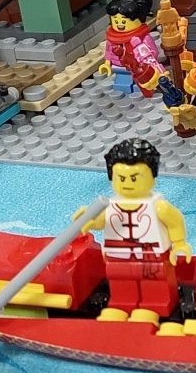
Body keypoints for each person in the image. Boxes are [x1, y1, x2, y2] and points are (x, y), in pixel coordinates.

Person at [81, 138, 190, 324]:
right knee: (120, 280)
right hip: (118, 255)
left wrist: (179, 243)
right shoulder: (110, 206)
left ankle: (155, 306)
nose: (127, 183)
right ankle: (122, 305)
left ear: (152, 176)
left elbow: (174, 221)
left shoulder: (159, 207)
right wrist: (89, 220)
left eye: (134, 178)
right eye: (121, 178)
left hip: (151, 256)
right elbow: (102, 221)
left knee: (154, 282)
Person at [100, 0, 166, 98]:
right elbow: (109, 51)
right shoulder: (113, 39)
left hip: (139, 69)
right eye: (116, 20)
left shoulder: (142, 38)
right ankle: (123, 85)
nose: (119, 24)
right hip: (119, 66)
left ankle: (140, 87)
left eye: (123, 21)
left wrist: (147, 63)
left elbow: (153, 52)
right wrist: (107, 63)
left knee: (141, 83)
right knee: (122, 81)